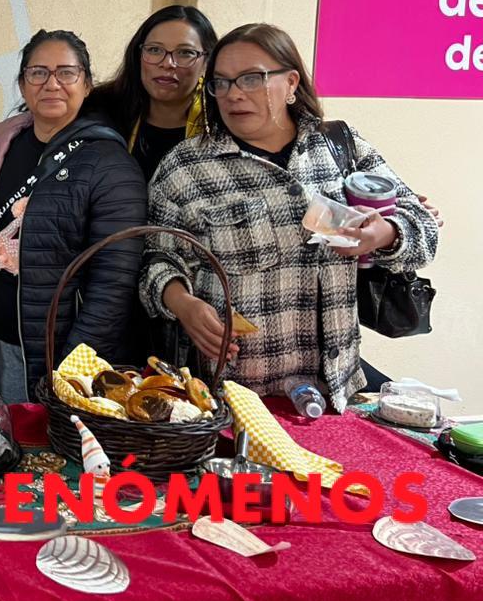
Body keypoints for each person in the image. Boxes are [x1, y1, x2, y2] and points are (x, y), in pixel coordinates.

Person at [140, 23, 439, 410]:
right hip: (235, 393)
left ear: (291, 82)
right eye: (222, 82)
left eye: (251, 79)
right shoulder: (186, 168)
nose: (234, 94)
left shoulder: (338, 147)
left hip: (335, 388)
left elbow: (422, 224)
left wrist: (384, 233)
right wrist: (183, 304)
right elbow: (156, 260)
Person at [0, 30, 147, 403]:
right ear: (23, 85)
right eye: (38, 73)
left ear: (87, 84)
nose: (51, 84)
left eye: (66, 73)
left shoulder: (109, 163)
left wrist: (73, 364)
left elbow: (115, 280)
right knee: (10, 441)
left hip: (62, 345)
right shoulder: (3, 145)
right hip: (0, 334)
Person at [85, 5, 218, 182]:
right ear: (138, 55)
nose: (168, 63)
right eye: (155, 50)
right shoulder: (102, 109)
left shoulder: (220, 122)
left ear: (206, 63)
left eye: (185, 53)